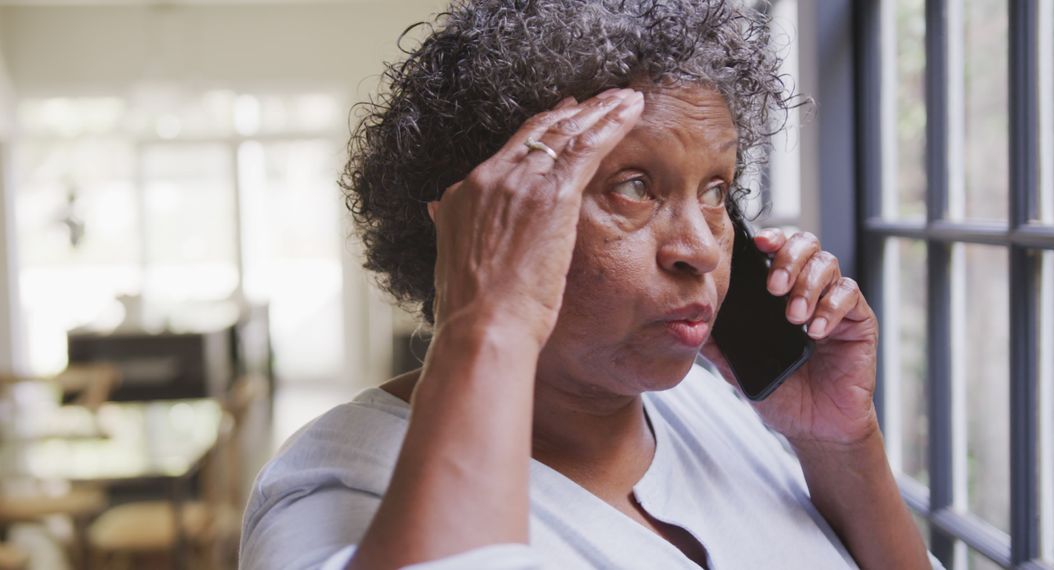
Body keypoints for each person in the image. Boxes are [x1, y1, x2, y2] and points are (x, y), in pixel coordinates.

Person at [240, 1, 941, 568]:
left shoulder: (728, 411)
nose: (701, 247)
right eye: (634, 186)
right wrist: (492, 323)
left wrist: (841, 444)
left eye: (718, 189)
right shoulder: (333, 479)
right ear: (480, 220)